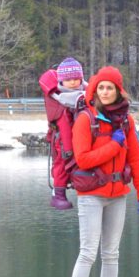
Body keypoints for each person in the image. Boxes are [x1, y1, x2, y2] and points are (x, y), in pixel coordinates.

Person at [62, 66, 139, 277]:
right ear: (95, 89)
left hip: (118, 195)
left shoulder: (126, 121)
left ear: (118, 90)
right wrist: (113, 144)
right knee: (88, 252)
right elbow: (83, 159)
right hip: (91, 195)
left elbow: (135, 159)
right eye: (101, 87)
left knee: (111, 253)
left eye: (110, 87)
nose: (105, 91)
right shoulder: (85, 119)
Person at [39, 57, 87, 210]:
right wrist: (68, 149)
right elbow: (62, 124)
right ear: (61, 80)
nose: (73, 82)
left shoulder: (87, 93)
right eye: (69, 79)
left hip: (82, 139)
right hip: (63, 141)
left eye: (76, 79)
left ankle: (85, 186)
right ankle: (58, 194)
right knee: (61, 165)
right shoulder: (57, 97)